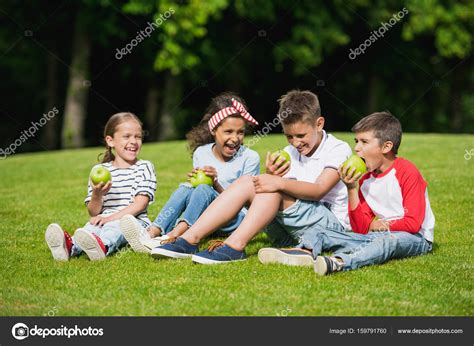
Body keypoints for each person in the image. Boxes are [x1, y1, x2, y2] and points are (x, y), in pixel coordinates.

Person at [151, 89, 352, 264]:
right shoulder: (289, 152)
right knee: (252, 182)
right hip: (290, 234)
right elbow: (268, 198)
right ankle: (189, 240)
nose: (295, 142)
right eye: (289, 136)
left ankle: (234, 246)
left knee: (270, 186)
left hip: (328, 229)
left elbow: (318, 191)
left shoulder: (337, 148)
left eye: (301, 136)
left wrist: (276, 181)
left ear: (319, 124)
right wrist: (271, 175)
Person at [260, 111, 435, 276]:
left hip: (414, 238)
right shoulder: (365, 179)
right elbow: (360, 228)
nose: (357, 149)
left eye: (364, 142)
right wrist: (352, 188)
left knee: (386, 242)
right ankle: (303, 251)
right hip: (375, 236)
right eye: (356, 141)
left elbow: (413, 223)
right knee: (321, 231)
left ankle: (340, 261)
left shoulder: (407, 172)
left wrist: (383, 227)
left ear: (386, 146)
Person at [120, 92, 260, 254]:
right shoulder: (201, 153)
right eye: (228, 132)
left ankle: (174, 235)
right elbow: (197, 194)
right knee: (187, 187)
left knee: (204, 188)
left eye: (240, 132)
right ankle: (152, 232)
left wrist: (215, 184)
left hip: (234, 220)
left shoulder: (250, 157)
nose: (235, 138)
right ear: (214, 130)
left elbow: (246, 204)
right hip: (205, 219)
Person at [44, 112, 156, 261]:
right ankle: (69, 248)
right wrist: (97, 194)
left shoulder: (144, 167)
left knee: (115, 228)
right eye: (127, 136)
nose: (134, 141)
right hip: (103, 219)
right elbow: (93, 211)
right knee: (88, 229)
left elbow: (140, 204)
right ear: (110, 141)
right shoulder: (100, 170)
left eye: (138, 137)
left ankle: (103, 246)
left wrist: (109, 218)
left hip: (133, 222)